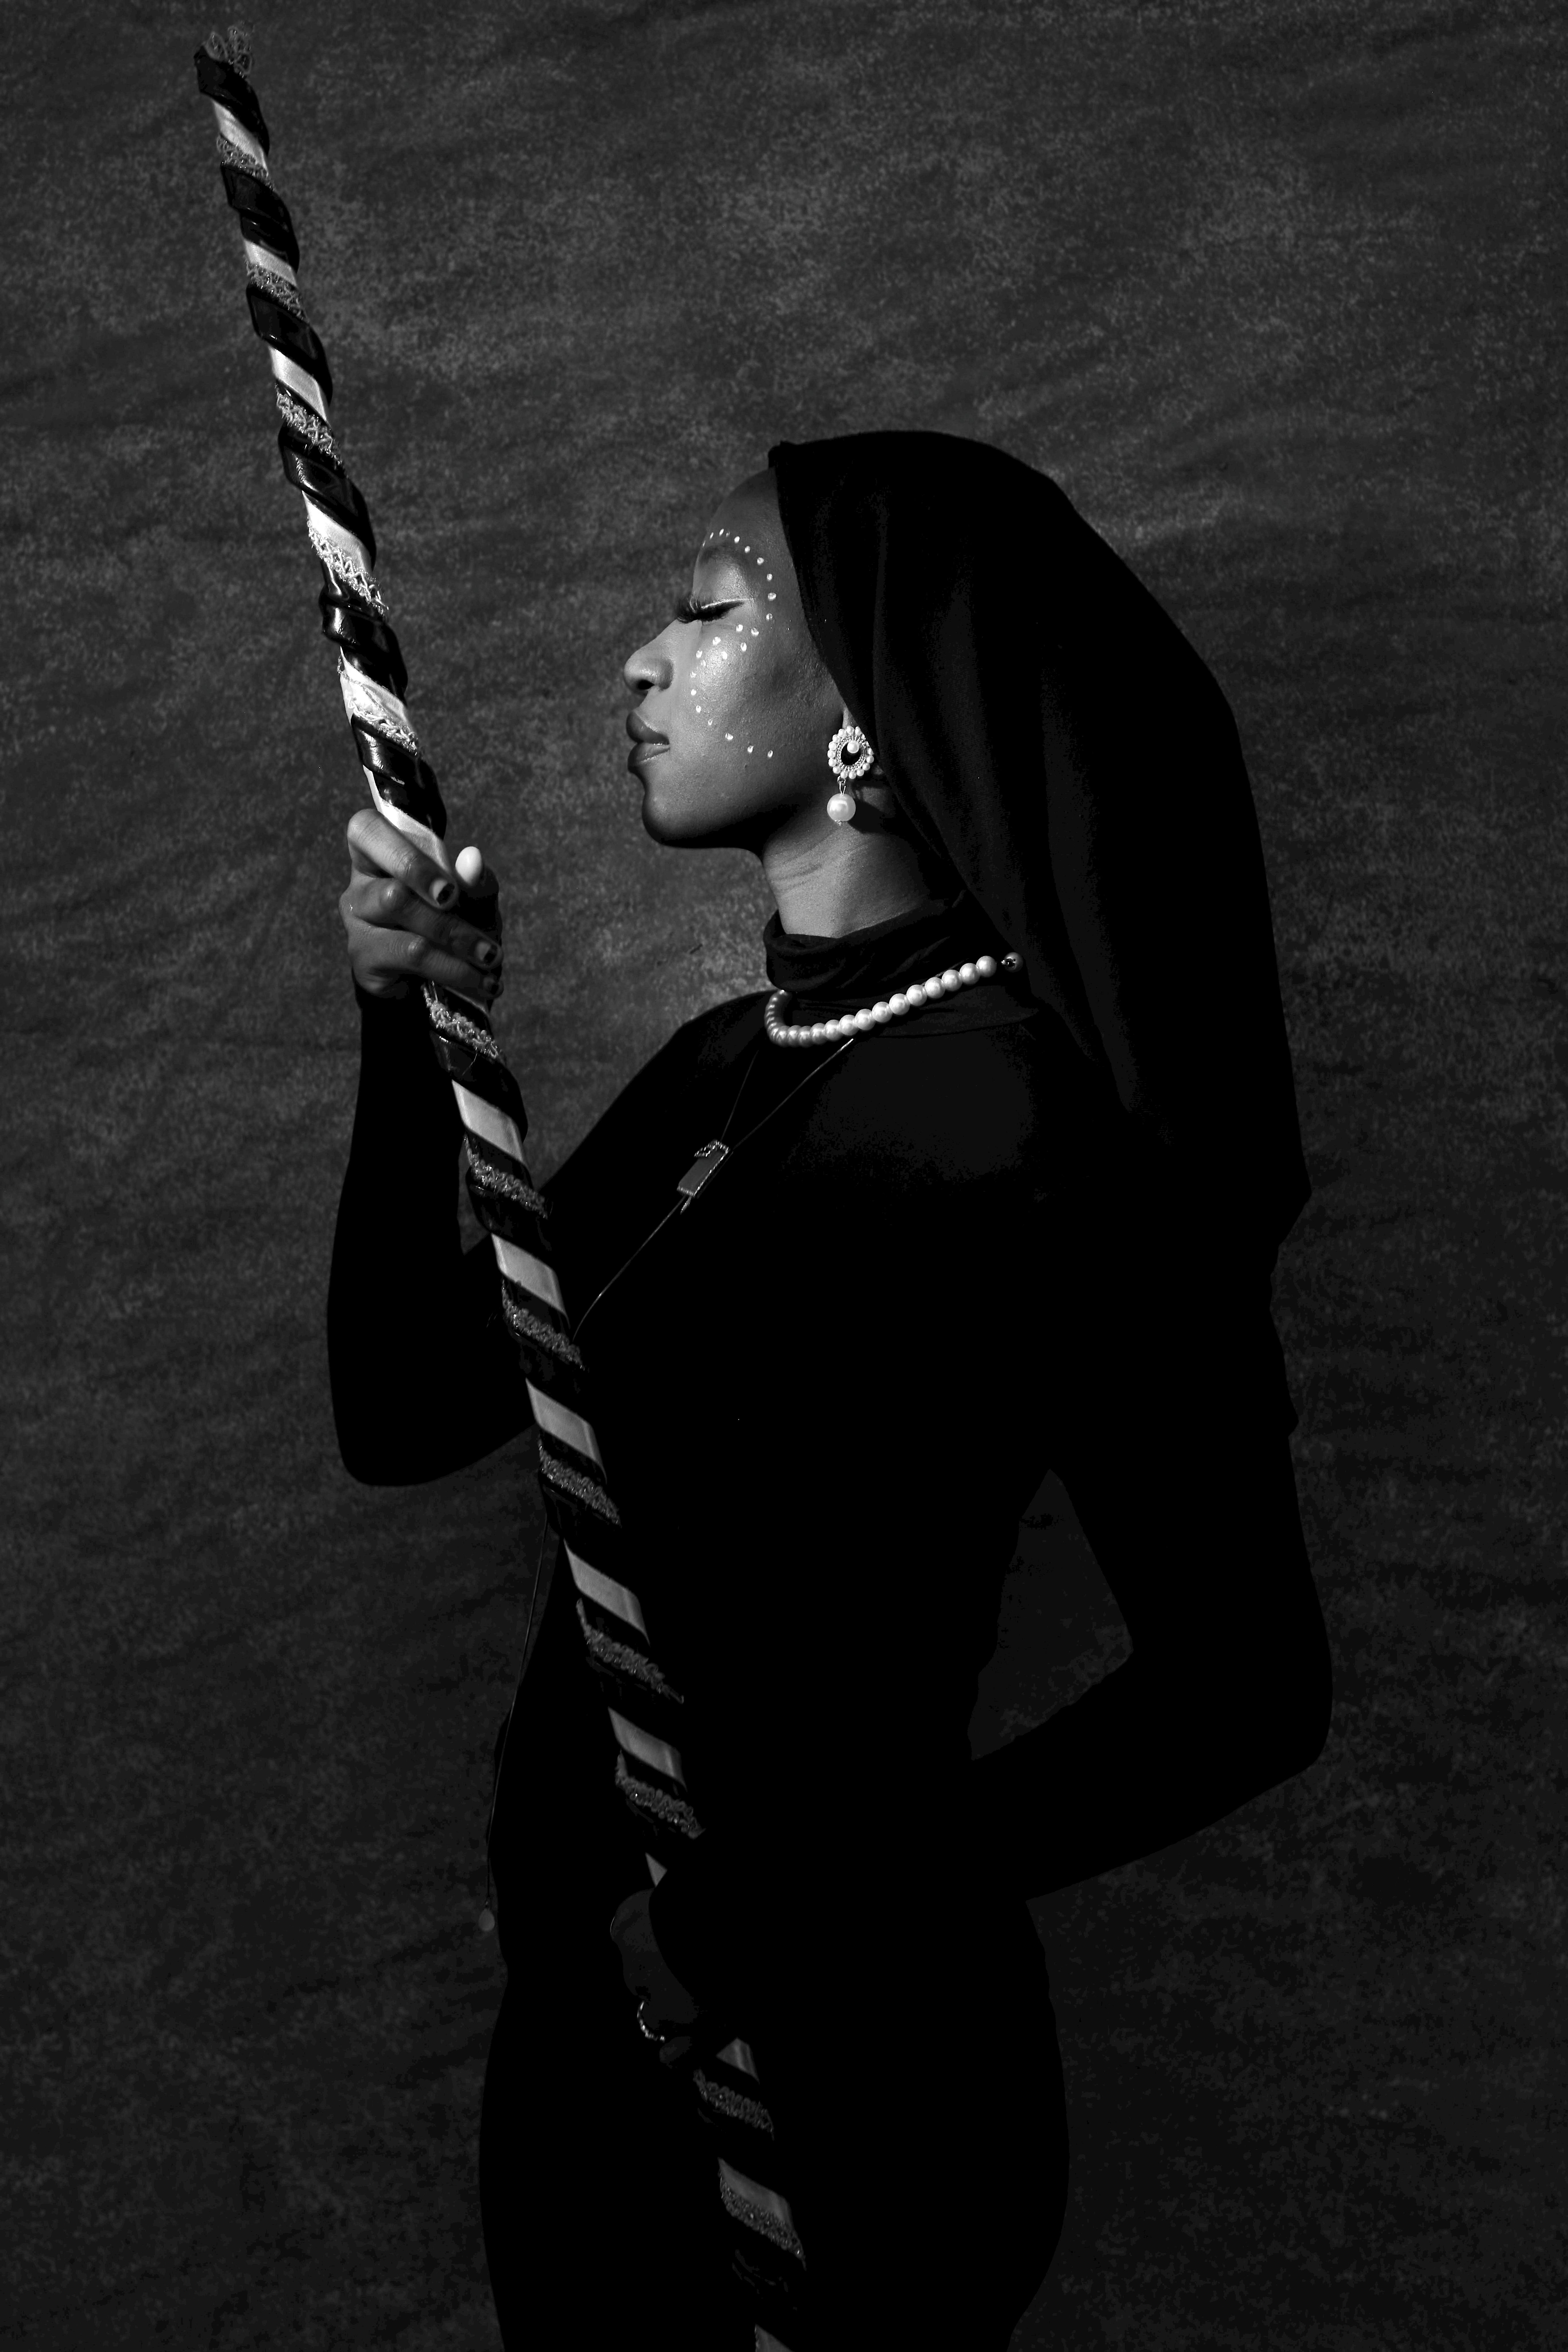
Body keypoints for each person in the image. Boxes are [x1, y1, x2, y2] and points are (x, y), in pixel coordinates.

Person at [326, 431, 1333, 2351]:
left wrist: (770, 1922)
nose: (639, 656)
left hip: (840, 2081)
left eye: (706, 610)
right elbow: (403, 1413)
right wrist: (407, 1032)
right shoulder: (723, 1071)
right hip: (590, 2054)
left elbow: (1248, 1687)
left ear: (862, 727)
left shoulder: (1032, 1136)